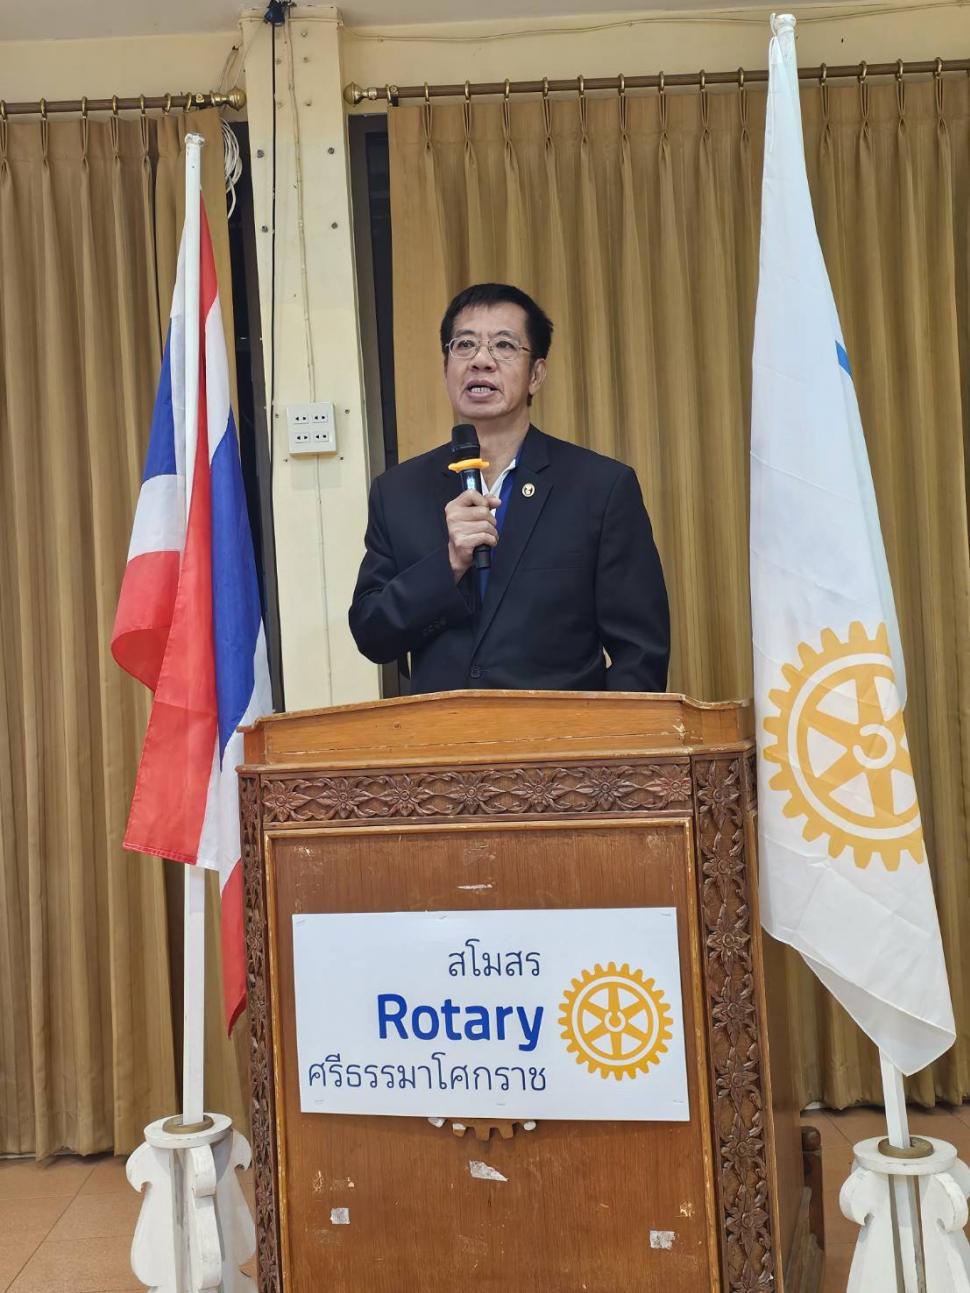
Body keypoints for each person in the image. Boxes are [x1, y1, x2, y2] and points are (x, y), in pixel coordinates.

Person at [349, 283, 669, 694]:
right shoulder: (397, 492)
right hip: (442, 731)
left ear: (536, 374)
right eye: (464, 344)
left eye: (503, 345)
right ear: (445, 368)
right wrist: (449, 563)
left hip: (559, 733)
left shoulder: (600, 488)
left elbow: (640, 654)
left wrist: (598, 733)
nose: (481, 360)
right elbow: (373, 634)